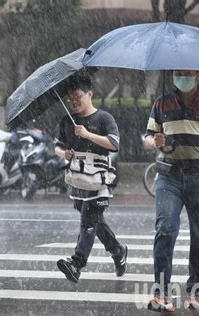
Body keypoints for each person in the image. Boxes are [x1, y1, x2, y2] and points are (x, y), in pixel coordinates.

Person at [143, 70, 199, 313]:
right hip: (168, 176)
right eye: (177, 73)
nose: (181, 77)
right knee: (165, 230)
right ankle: (161, 293)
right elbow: (147, 137)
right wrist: (154, 141)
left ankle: (196, 290)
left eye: (186, 73)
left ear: (198, 75)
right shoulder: (162, 102)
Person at [55, 75, 128, 283]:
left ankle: (76, 264)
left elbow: (114, 144)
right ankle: (118, 251)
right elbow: (57, 146)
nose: (74, 101)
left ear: (90, 94)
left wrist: (88, 135)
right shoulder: (67, 121)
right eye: (70, 98)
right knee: (95, 221)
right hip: (77, 180)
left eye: (77, 96)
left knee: (88, 219)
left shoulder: (104, 118)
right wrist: (64, 154)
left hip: (99, 181)